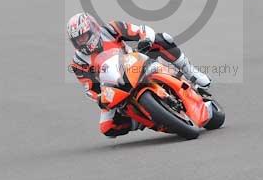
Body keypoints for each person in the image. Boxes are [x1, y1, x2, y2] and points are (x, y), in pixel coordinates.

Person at [66, 12, 211, 138]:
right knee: (107, 127)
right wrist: (99, 98)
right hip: (115, 85)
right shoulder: (78, 62)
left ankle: (191, 72)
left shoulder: (111, 29)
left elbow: (141, 30)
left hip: (136, 63)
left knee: (162, 39)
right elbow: (89, 88)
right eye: (77, 40)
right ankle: (143, 121)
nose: (82, 42)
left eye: (84, 36)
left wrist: (145, 40)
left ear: (93, 29)